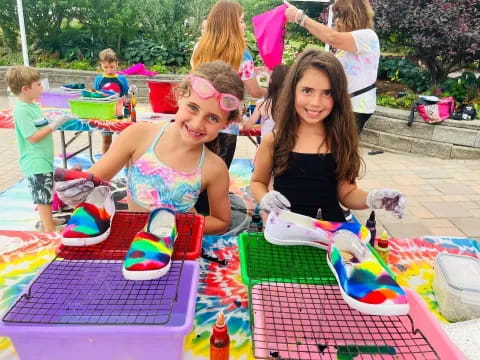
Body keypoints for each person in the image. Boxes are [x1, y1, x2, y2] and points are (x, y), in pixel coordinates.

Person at [56, 61, 245, 235]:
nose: (197, 124)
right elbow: (93, 183)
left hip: (180, 247)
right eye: (193, 108)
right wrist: (75, 188)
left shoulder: (215, 168)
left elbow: (221, 221)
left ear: (226, 124)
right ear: (179, 96)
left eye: (213, 118)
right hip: (132, 242)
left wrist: (178, 224)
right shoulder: (139, 135)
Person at [250, 50, 405, 222]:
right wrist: (265, 198)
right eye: (307, 91)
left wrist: (372, 199)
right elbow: (258, 182)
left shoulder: (341, 140)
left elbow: (347, 193)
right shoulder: (274, 140)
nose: (316, 102)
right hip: (285, 230)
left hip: (330, 232)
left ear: (338, 96)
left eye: (327, 93)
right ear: (292, 91)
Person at [191, 0, 266, 214]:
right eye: (241, 21)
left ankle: (193, 210)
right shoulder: (242, 55)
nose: (244, 26)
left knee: (195, 166)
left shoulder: (199, 48)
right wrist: (269, 89)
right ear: (231, 24)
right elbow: (253, 91)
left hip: (198, 121)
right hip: (226, 124)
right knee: (218, 171)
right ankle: (211, 213)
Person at [285, 0, 380, 133]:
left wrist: (300, 18)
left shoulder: (368, 37)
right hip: (345, 105)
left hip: (356, 106)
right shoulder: (349, 46)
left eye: (340, 16)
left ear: (351, 16)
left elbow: (331, 37)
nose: (337, 21)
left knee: (338, 150)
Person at [6, 66, 71, 232]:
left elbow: (40, 123)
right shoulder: (21, 110)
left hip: (44, 158)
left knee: (47, 192)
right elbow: (33, 137)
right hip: (35, 161)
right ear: (25, 89)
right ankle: (48, 229)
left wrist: (52, 119)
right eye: (38, 84)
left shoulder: (34, 106)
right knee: (43, 197)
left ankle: (48, 220)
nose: (42, 87)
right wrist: (53, 126)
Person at [94, 48, 129, 153]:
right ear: (101, 65)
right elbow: (96, 96)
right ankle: (104, 163)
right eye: (105, 67)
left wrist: (127, 101)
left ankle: (125, 165)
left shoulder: (122, 79)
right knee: (106, 141)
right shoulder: (98, 80)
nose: (109, 70)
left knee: (123, 141)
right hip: (105, 115)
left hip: (119, 115)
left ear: (117, 64)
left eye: (112, 67)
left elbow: (126, 96)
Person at [242, 64, 290, 139]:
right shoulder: (293, 104)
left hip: (266, 146)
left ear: (271, 81)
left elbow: (247, 127)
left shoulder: (262, 104)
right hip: (287, 146)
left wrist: (244, 117)